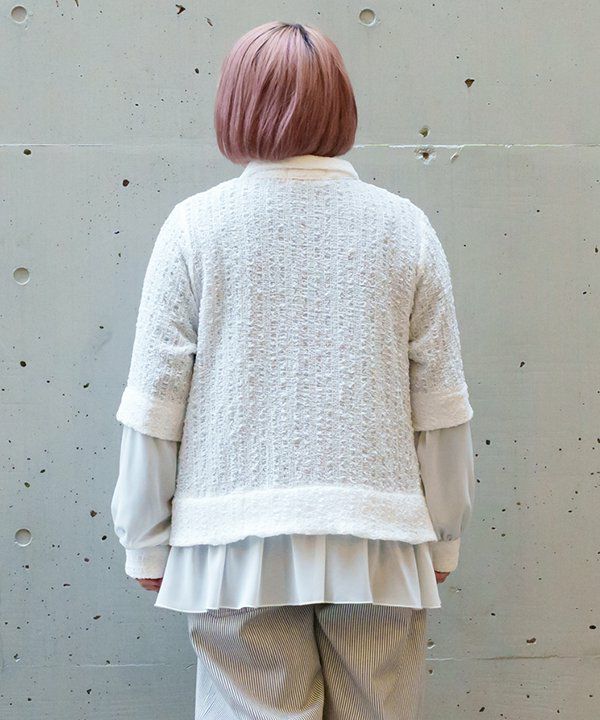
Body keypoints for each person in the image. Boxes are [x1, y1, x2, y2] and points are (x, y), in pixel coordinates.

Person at [111, 20, 475, 720]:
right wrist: (445, 532)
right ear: (342, 106)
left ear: (234, 104)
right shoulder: (405, 229)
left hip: (235, 542)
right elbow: (441, 405)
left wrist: (144, 541)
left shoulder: (195, 229)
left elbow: (156, 403)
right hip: (378, 536)